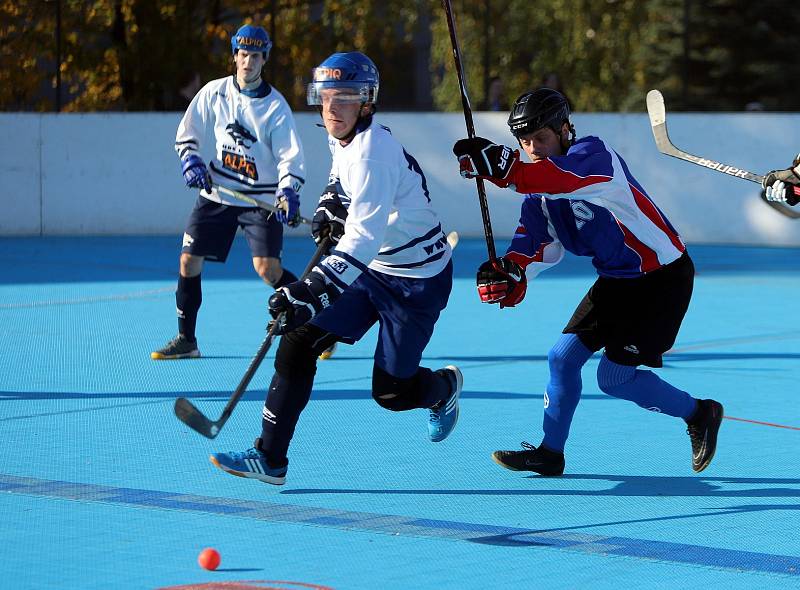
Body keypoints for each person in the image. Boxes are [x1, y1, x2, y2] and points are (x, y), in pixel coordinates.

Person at [209, 51, 462, 485]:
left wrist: (309, 292)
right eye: (325, 97)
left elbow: (360, 240)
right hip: (373, 266)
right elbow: (339, 178)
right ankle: (270, 458)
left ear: (367, 101)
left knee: (391, 393)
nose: (331, 108)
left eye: (344, 98)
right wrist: (330, 204)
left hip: (415, 282)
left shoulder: (372, 152)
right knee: (297, 342)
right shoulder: (342, 135)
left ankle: (444, 388)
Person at [451, 88, 723, 476]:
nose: (532, 148)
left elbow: (556, 177)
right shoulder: (539, 191)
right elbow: (537, 243)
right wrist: (510, 270)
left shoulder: (595, 158)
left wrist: (507, 169)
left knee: (612, 378)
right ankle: (550, 453)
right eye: (524, 141)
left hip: (661, 281)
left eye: (541, 138)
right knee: (561, 358)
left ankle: (700, 413)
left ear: (565, 130)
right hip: (616, 280)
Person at [151, 24, 306, 360]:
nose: (247, 62)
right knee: (188, 261)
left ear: (264, 59)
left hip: (260, 200)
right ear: (234, 56)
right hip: (217, 194)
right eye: (242, 54)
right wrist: (191, 160)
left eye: (255, 56)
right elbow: (187, 134)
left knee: (268, 270)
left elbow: (290, 159)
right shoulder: (214, 92)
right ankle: (187, 340)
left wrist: (288, 192)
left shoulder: (276, 107)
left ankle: (318, 320)